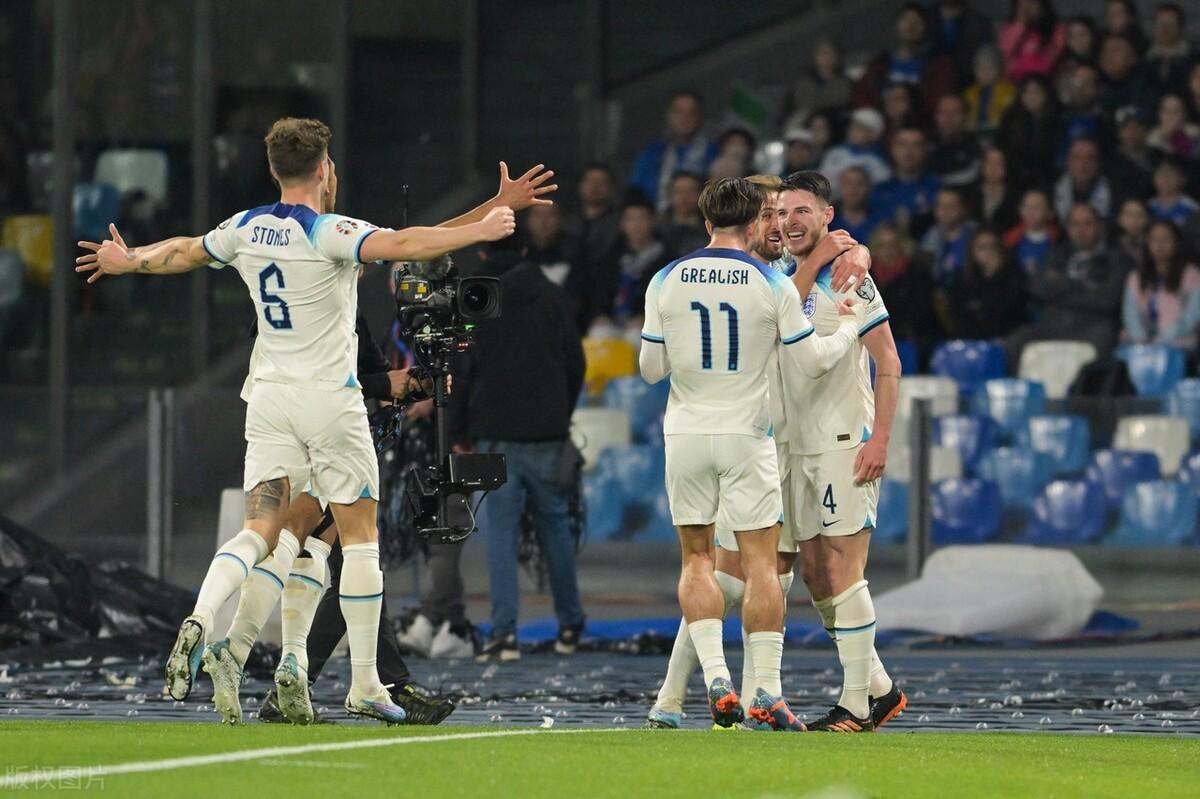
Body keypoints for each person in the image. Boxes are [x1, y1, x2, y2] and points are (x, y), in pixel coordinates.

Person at [75, 117, 516, 725]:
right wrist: (484, 227)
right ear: (325, 169)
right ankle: (365, 683)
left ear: (273, 169)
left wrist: (129, 260)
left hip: (268, 401)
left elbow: (182, 250)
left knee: (265, 530)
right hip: (329, 401)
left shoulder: (245, 227)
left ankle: (209, 621)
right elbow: (409, 244)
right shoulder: (329, 231)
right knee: (359, 538)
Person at [643, 174, 871, 730]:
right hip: (751, 438)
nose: (777, 224)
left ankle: (712, 681)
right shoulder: (770, 282)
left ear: (706, 221)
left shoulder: (665, 277)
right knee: (761, 568)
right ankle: (763, 688)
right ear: (751, 223)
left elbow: (650, 369)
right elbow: (812, 358)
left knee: (699, 562)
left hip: (689, 434)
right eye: (768, 214)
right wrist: (849, 328)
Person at [774, 171, 906, 732]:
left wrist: (880, 439)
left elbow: (889, 363)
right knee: (817, 575)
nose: (790, 222)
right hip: (795, 445)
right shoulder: (781, 275)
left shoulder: (850, 276)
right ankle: (880, 689)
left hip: (843, 442)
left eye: (802, 211)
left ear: (828, 216)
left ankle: (855, 704)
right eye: (783, 212)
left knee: (844, 572)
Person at [448, 243, 587, 663]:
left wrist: (457, 431)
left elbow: (462, 370)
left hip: (495, 434)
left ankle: (504, 635)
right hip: (548, 434)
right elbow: (576, 364)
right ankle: (571, 625)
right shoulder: (554, 297)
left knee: (501, 534)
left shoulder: (479, 297)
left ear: (483, 254)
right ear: (526, 250)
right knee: (556, 528)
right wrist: (559, 414)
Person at [1005, 203, 1131, 366]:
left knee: (1102, 344)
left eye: (1087, 224)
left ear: (1099, 226)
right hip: (1053, 324)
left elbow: (1108, 300)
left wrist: (1060, 285)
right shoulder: (1057, 253)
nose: (1081, 230)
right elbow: (1037, 287)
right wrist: (1079, 285)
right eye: (1075, 224)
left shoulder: (1117, 259)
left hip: (1093, 326)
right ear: (1068, 228)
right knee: (1016, 341)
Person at [851, 3, 955, 112]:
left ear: (926, 28)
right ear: (896, 25)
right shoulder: (880, 62)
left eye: (917, 21)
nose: (911, 25)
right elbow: (860, 96)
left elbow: (940, 102)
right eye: (906, 19)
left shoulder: (938, 65)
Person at [593, 194, 675, 327]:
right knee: (599, 331)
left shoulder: (667, 259)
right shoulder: (611, 255)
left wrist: (647, 317)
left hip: (650, 324)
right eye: (630, 219)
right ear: (622, 224)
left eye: (642, 218)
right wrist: (600, 315)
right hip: (612, 320)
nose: (636, 225)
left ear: (653, 221)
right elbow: (600, 293)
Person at [630, 91, 717, 210]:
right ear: (669, 116)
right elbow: (637, 191)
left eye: (692, 113)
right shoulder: (652, 153)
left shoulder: (713, 154)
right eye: (679, 112)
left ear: (700, 118)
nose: (685, 118)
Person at [1121, 220, 1200, 348]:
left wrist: (1160, 340)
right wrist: (1142, 340)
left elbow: (1191, 317)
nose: (1160, 244)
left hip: (1179, 343)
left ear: (1177, 242)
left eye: (1166, 239)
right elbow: (1131, 315)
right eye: (1154, 239)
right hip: (1140, 345)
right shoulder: (1135, 277)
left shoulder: (1192, 275)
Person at [949, 229, 1029, 339]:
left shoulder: (1014, 274)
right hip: (972, 338)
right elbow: (958, 316)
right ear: (972, 252)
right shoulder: (962, 278)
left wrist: (995, 276)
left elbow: (1012, 313)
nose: (989, 251)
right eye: (982, 247)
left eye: (993, 246)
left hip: (1007, 337)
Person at [996, 75, 1064, 188]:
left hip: (1049, 178)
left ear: (1046, 94)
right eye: (1026, 92)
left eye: (1036, 91)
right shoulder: (1010, 118)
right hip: (1016, 179)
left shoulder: (1059, 119)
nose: (1031, 96)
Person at [873, 127, 940, 236]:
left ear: (926, 150)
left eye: (916, 145)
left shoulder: (936, 189)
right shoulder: (879, 191)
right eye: (902, 145)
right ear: (892, 149)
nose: (908, 152)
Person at [566, 162, 621, 271]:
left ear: (612, 188)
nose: (595, 186)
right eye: (590, 181)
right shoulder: (566, 223)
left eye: (602, 182)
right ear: (580, 186)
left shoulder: (620, 225)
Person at [818, 107, 892, 188]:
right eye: (852, 126)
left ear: (873, 134)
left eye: (859, 127)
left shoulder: (878, 161)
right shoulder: (834, 152)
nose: (852, 130)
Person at [920, 187, 976, 285]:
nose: (945, 211)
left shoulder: (974, 233)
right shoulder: (932, 235)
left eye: (951, 206)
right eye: (940, 206)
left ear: (963, 208)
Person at [999, 0, 1066, 82]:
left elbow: (1050, 61)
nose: (1027, 7)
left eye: (1031, 2)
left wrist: (1021, 66)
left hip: (1044, 80)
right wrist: (1020, 23)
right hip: (1015, 82)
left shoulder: (1056, 28)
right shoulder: (1008, 28)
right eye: (1022, 5)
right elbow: (1007, 55)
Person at [1054, 138, 1113, 221]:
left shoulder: (1115, 195)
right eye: (1077, 158)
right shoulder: (1050, 195)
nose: (1083, 164)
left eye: (1090, 158)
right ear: (1068, 162)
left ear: (1098, 163)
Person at [963, 45, 1017, 136]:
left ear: (998, 69)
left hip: (1000, 135)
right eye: (980, 68)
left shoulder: (1010, 91)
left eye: (990, 68)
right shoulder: (969, 94)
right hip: (973, 136)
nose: (985, 72)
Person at [929, 94, 982, 188]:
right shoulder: (924, 145)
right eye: (943, 112)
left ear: (966, 116)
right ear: (935, 117)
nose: (948, 117)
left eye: (955, 112)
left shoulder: (977, 146)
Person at [1004, 188, 1059, 277]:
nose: (1030, 211)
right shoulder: (1009, 239)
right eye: (1027, 206)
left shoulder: (1058, 239)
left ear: (1050, 213)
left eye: (1037, 207)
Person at [1145, 3, 1194, 100]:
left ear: (1180, 27)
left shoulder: (1193, 60)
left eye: (1170, 23)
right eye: (1160, 23)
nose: (1165, 28)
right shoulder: (1143, 59)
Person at [968, 147, 1020, 232]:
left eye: (998, 163)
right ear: (982, 166)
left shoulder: (1015, 196)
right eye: (989, 163)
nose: (993, 168)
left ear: (1005, 167)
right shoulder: (970, 193)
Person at [657, 171, 708, 256]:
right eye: (678, 191)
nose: (684, 197)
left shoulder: (711, 230)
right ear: (670, 194)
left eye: (691, 191)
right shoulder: (656, 227)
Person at [832, 167, 887, 244]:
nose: (853, 190)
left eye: (860, 184)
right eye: (848, 183)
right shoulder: (829, 221)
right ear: (840, 187)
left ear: (869, 188)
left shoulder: (880, 220)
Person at [1148, 156, 1200, 226]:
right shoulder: (1148, 206)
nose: (1165, 177)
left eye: (1170, 173)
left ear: (1183, 178)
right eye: (1160, 172)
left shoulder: (1192, 209)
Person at [1147, 93, 1200, 161]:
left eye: (1176, 111)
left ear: (1184, 114)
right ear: (1160, 114)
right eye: (1166, 111)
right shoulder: (1152, 141)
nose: (1170, 116)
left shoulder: (1196, 134)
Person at [1115, 197, 1151, 267]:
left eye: (1139, 215)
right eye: (1128, 215)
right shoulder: (1110, 246)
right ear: (1119, 219)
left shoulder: (1153, 246)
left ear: (1147, 219)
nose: (1134, 220)